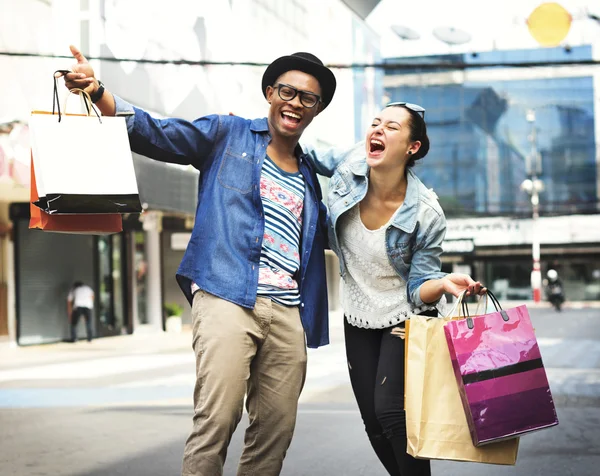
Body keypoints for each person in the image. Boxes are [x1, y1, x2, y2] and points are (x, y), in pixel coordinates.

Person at [61, 45, 335, 476]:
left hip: (287, 312)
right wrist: (98, 91)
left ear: (317, 110)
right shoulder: (229, 135)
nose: (295, 103)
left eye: (308, 98)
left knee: (275, 434)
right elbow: (159, 132)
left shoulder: (310, 177)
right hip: (227, 295)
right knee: (217, 421)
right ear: (270, 92)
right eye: (288, 91)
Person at [305, 102, 485, 476]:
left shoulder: (426, 212)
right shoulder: (349, 165)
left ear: (412, 147)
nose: (377, 130)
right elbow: (301, 148)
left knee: (392, 412)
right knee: (373, 423)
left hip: (406, 314)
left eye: (390, 127)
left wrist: (444, 283)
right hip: (358, 313)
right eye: (375, 124)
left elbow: (418, 285)